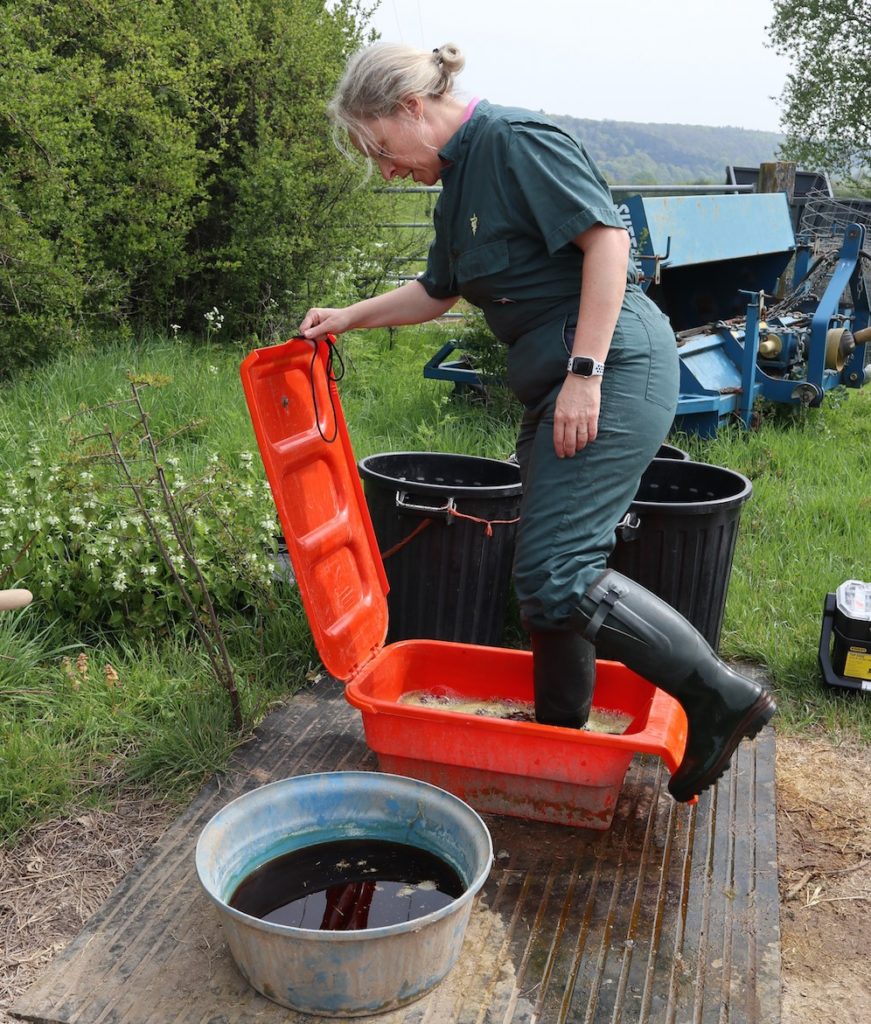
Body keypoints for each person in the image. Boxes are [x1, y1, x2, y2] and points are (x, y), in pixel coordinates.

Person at [299, 41, 775, 802]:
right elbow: (436, 293)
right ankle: (558, 733)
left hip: (610, 367)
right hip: (557, 380)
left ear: (410, 109)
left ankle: (721, 698)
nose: (384, 168)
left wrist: (584, 375)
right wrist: (346, 319)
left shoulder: (514, 140)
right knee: (545, 576)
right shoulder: (455, 186)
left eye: (379, 147)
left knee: (559, 572)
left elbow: (607, 242)